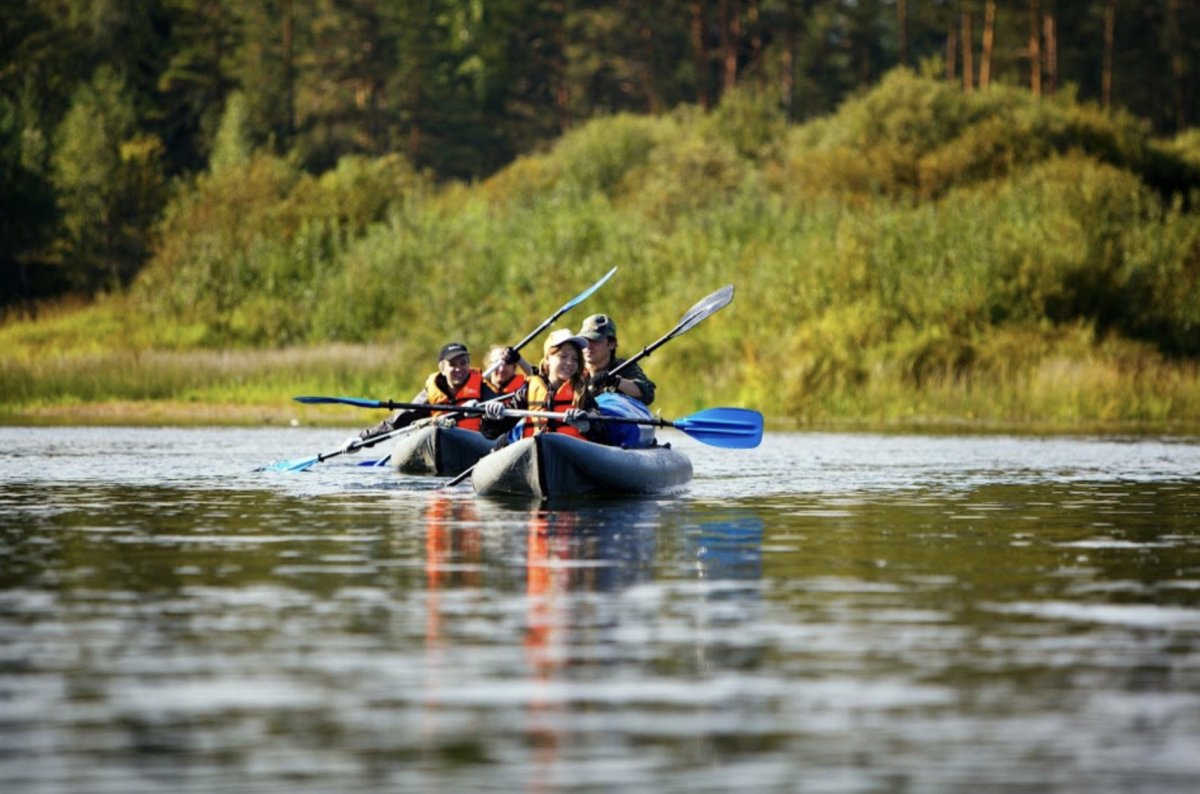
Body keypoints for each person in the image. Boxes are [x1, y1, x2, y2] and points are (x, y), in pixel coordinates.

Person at [341, 342, 499, 451]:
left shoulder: (482, 389)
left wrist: (489, 411)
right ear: (442, 368)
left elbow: (503, 417)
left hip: (473, 445)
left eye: (463, 363)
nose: (459, 369)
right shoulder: (431, 391)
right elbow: (401, 419)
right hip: (439, 444)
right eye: (453, 364)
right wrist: (363, 439)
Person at [480, 329, 608, 444]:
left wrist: (586, 426)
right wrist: (491, 416)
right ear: (548, 359)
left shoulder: (582, 392)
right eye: (563, 356)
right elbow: (491, 433)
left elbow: (601, 435)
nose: (570, 363)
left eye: (575, 359)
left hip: (569, 460)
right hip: (535, 458)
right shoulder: (528, 390)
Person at [576, 313, 656, 405]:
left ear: (611, 344)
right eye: (585, 340)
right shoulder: (574, 369)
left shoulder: (624, 367)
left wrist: (615, 381)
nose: (589, 346)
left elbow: (647, 394)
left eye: (595, 340)